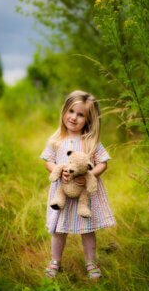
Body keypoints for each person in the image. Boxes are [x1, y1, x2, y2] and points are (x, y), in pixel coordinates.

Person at [40, 90, 116, 279]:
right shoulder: (56, 140)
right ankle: (55, 262)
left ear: (89, 119)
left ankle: (90, 262)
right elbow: (48, 160)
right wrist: (58, 170)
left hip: (85, 194)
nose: (74, 117)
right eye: (71, 111)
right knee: (58, 229)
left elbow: (103, 163)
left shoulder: (90, 141)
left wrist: (90, 174)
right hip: (62, 192)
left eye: (80, 114)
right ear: (64, 111)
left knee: (87, 229)